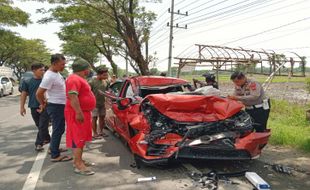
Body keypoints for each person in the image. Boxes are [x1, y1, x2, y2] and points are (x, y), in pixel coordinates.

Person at [36, 54, 72, 162]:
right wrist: (43, 104)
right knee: (58, 129)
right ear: (54, 64)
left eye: (64, 64)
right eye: (62, 64)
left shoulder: (56, 73)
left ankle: (53, 148)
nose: (64, 66)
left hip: (59, 104)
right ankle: (55, 155)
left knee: (59, 129)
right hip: (56, 106)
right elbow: (39, 93)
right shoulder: (49, 76)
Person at [65, 58, 96, 175]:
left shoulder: (79, 78)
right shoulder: (73, 79)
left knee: (81, 138)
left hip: (83, 112)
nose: (89, 70)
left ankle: (78, 160)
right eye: (88, 68)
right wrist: (78, 112)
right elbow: (73, 97)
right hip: (77, 112)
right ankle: (78, 165)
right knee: (78, 138)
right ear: (84, 69)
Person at [20, 63, 50, 151]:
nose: (43, 72)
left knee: (42, 125)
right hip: (33, 106)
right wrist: (22, 107)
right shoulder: (27, 81)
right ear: (34, 71)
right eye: (41, 70)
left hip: (45, 106)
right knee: (39, 125)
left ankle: (38, 144)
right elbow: (24, 94)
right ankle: (47, 138)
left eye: (44, 70)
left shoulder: (46, 80)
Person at [89, 66, 110, 139]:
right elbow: (87, 92)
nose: (106, 76)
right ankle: (94, 133)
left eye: (107, 74)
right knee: (94, 118)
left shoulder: (106, 81)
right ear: (99, 74)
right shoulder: (91, 82)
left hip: (102, 103)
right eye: (104, 75)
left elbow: (107, 91)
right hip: (94, 104)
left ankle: (101, 131)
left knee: (102, 118)